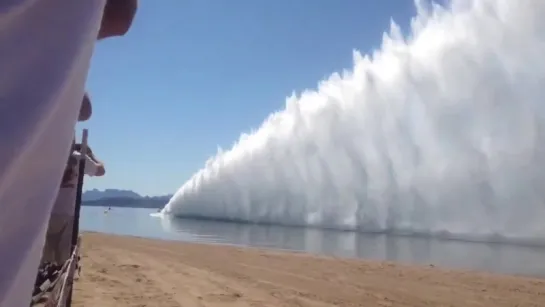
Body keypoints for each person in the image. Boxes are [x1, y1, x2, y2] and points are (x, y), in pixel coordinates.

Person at [0, 1, 137, 306]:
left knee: (40, 270)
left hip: (43, 216)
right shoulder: (77, 158)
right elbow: (99, 167)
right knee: (56, 268)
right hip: (57, 219)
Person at [41, 143, 105, 266]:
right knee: (64, 259)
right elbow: (100, 171)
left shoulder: (47, 155)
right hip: (67, 213)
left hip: (44, 212)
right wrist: (90, 154)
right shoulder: (77, 157)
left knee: (44, 257)